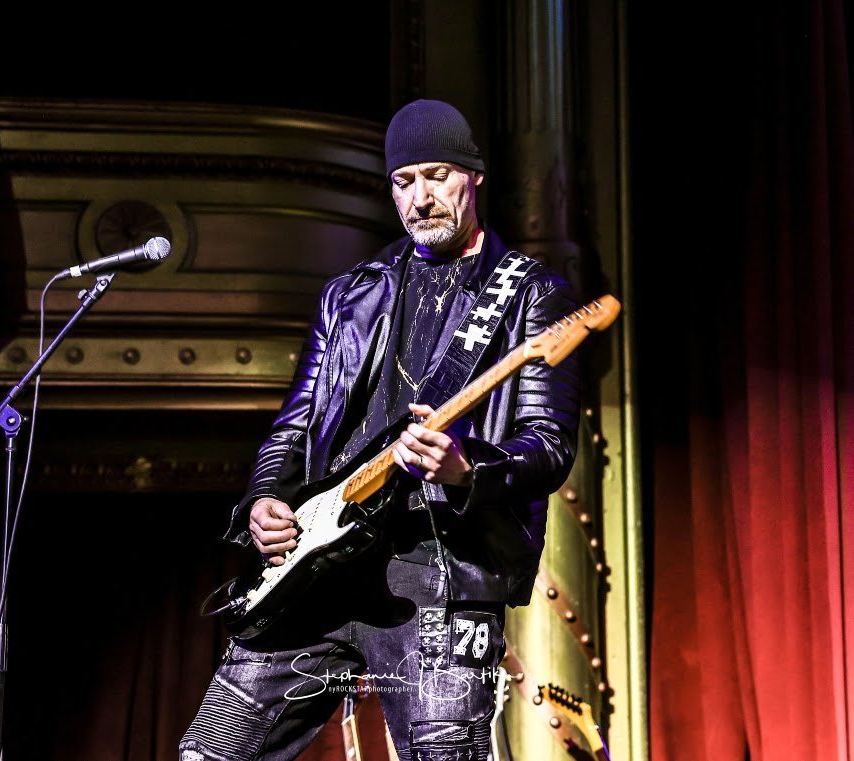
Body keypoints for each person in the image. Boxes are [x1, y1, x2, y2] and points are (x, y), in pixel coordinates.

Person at [179, 99, 581, 761]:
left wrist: (465, 468)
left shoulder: (530, 293)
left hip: (439, 573)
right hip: (320, 565)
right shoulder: (349, 294)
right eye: (404, 181)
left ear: (474, 176)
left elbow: (549, 444)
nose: (420, 198)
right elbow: (296, 422)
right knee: (210, 752)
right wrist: (264, 499)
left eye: (437, 176)